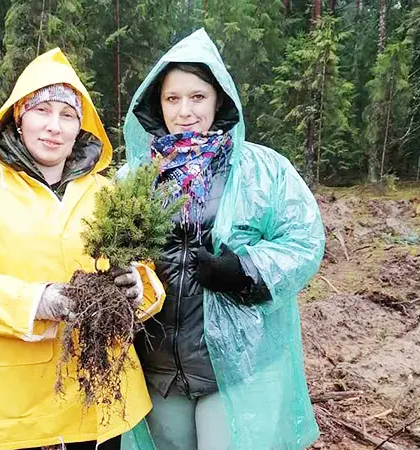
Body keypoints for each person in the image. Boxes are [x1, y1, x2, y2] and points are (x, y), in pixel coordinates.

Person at [0, 48, 165, 450]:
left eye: (67, 115)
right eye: (42, 111)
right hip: (14, 409)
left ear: (80, 127)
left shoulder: (108, 195)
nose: (54, 126)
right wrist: (36, 301)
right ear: (19, 119)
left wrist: (140, 288)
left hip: (97, 397)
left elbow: (143, 267)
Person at [119, 29, 326, 450]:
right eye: (172, 99)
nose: (185, 111)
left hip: (233, 362)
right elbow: (106, 250)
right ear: (157, 105)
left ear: (219, 100)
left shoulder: (262, 169)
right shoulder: (133, 176)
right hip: (158, 364)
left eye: (198, 97)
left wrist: (245, 271)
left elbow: (303, 239)